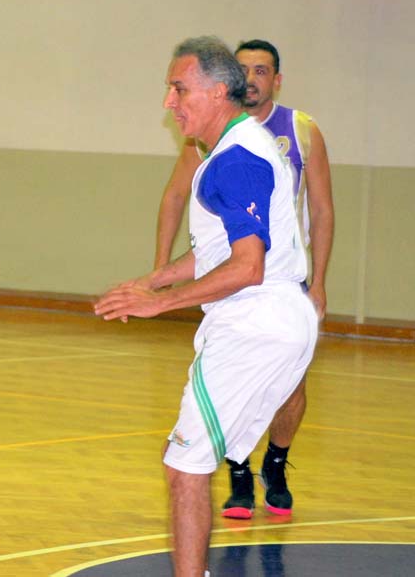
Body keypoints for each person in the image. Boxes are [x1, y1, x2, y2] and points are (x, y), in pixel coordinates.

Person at [95, 36, 318, 577]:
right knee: (188, 462)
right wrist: (152, 280)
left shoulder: (236, 159)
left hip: (254, 322)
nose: (169, 103)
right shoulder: (235, 148)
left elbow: (247, 267)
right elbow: (216, 253)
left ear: (218, 91)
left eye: (179, 89)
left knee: (184, 466)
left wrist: (161, 304)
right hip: (272, 320)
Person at [153, 39, 334, 519]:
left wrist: (319, 280)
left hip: (271, 290)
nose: (252, 77)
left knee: (280, 392)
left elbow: (318, 212)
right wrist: (158, 276)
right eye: (245, 68)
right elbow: (183, 208)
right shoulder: (206, 140)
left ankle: (274, 463)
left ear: (277, 79)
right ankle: (238, 475)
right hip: (248, 295)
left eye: (262, 70)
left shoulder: (295, 132)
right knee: (223, 408)